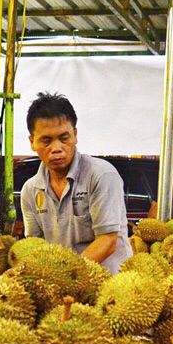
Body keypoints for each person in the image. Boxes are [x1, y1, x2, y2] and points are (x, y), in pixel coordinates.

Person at [20, 92, 133, 274]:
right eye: (46, 141)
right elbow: (36, 247)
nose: (57, 149)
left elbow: (108, 240)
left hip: (110, 286)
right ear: (32, 142)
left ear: (75, 135)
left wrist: (67, 276)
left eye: (64, 138)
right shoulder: (30, 190)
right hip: (63, 286)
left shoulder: (101, 175)